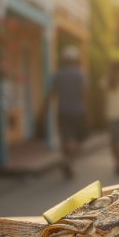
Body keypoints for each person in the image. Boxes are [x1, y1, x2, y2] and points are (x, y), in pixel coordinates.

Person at [46, 45, 88, 180]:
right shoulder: (80, 74)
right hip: (78, 111)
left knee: (66, 138)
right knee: (80, 139)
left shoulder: (58, 74)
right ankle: (68, 162)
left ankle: (67, 161)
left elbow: (52, 93)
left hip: (63, 111)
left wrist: (44, 111)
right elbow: (84, 93)